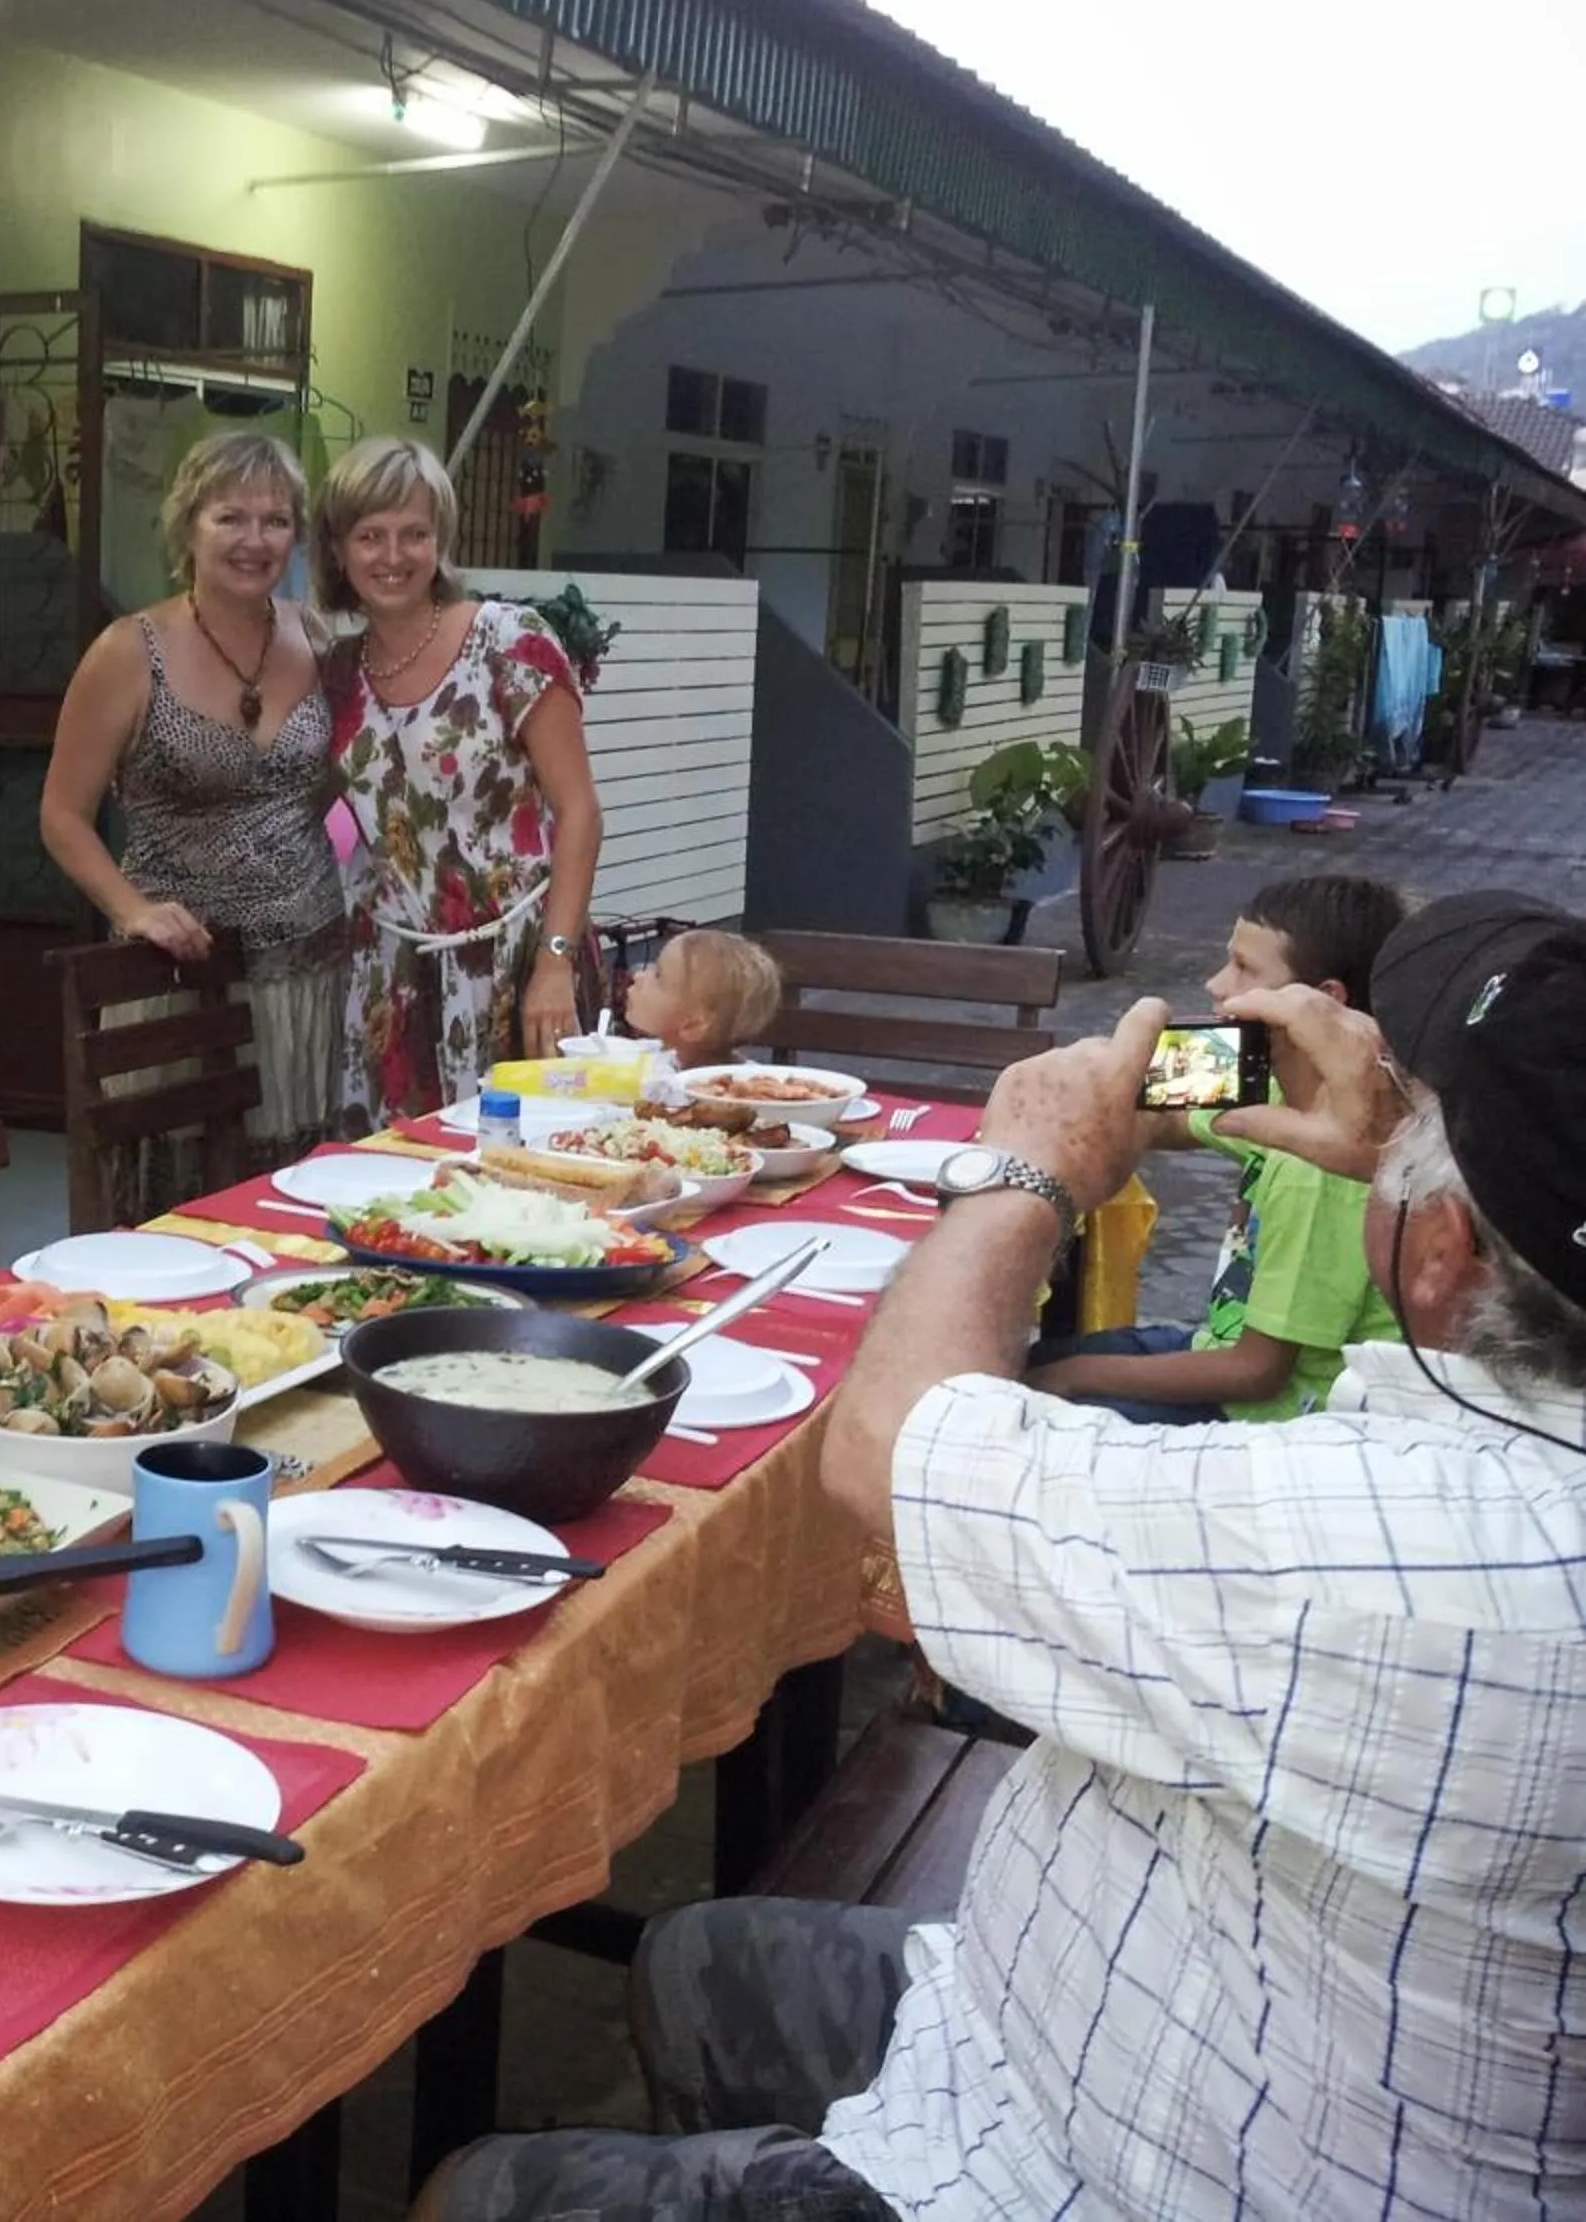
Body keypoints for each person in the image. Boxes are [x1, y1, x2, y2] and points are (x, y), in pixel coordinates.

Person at [417, 898, 1586, 2221]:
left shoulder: (1384, 1549)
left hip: (1085, 2162)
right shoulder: (1481, 1439)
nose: (1367, 1085)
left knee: (481, 2190)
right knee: (696, 1960)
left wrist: (1026, 1166)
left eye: (1408, 1100)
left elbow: (891, 1451)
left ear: (1441, 1256)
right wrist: (1382, 1147)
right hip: (1087, 2005)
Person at [39, 430, 345, 1207]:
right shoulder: (127, 651)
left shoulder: (316, 638)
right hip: (178, 972)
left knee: (293, 1191)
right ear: (189, 525)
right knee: (171, 1197)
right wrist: (133, 910)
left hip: (305, 968)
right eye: (230, 517)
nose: (255, 540)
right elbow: (61, 815)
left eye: (275, 520)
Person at [1026, 874, 1407, 1423]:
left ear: (1317, 1002)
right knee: (1035, 1358)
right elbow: (1164, 1115)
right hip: (1217, 1349)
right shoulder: (1275, 1079)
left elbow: (1257, 1372)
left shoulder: (1317, 1173)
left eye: (1245, 970)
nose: (1215, 984)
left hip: (1268, 1417)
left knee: (1039, 1384)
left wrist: (1066, 1378)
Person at [312, 437, 604, 1132]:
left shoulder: (509, 642)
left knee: (538, 1179)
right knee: (405, 1193)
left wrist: (556, 963)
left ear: (440, 540)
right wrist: (359, 884)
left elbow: (581, 813)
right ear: (339, 550)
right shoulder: (336, 672)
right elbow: (346, 814)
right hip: (394, 979)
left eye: (414, 534)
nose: (393, 556)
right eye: (370, 536)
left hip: (522, 969)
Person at [620, 928, 782, 1072]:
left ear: (692, 1025)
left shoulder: (720, 1097)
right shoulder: (646, 1056)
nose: (638, 975)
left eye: (658, 976)